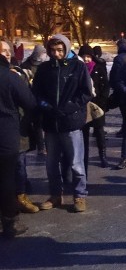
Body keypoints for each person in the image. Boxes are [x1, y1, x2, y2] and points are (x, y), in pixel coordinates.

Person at [32, 34, 92, 213]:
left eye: (60, 50)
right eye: (53, 50)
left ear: (66, 49)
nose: (56, 54)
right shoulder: (44, 68)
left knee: (76, 163)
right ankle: (55, 195)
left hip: (70, 122)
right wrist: (45, 106)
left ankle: (80, 195)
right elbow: (37, 92)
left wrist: (69, 107)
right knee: (51, 163)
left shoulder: (78, 66)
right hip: (51, 123)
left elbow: (86, 92)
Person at [0, 40, 36, 238]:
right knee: (6, 179)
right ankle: (9, 222)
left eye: (8, 50)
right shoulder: (10, 77)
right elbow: (30, 102)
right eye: (3, 52)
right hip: (6, 135)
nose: (7, 54)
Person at [79, 45, 109, 170]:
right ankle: (83, 156)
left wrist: (101, 102)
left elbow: (105, 87)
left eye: (88, 56)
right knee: (83, 133)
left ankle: (102, 155)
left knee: (99, 131)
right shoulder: (78, 68)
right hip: (82, 106)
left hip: (97, 105)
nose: (86, 59)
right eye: (84, 56)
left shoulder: (99, 68)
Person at [21, 45, 47, 155]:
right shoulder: (26, 65)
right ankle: (39, 146)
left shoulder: (44, 65)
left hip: (42, 98)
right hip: (31, 98)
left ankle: (44, 145)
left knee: (42, 123)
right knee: (36, 124)